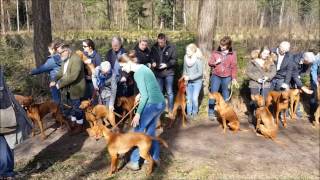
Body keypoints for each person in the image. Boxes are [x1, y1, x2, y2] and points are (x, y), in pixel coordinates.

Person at [118, 54, 165, 171]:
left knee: (137, 132)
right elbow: (150, 86)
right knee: (150, 133)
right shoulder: (144, 68)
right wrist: (139, 94)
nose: (122, 69)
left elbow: (145, 96)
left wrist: (137, 114)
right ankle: (155, 158)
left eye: (122, 66)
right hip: (160, 102)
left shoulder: (138, 74)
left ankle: (134, 162)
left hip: (152, 104)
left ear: (128, 63)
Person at [1, 66, 33, 179]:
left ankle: (6, 172)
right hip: (3, 114)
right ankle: (6, 173)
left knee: (5, 143)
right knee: (5, 143)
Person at [52, 45, 86, 134]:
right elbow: (61, 72)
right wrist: (54, 79)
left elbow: (73, 77)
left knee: (77, 107)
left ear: (67, 51)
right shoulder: (65, 59)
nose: (59, 55)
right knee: (72, 107)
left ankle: (80, 126)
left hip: (76, 88)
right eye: (58, 53)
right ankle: (74, 122)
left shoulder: (76, 59)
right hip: (68, 89)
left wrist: (59, 84)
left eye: (60, 53)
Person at [208, 36, 238, 120]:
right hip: (216, 76)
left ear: (228, 45)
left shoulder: (232, 54)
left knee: (226, 94)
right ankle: (211, 112)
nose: (221, 47)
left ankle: (224, 112)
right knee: (213, 93)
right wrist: (215, 63)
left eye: (223, 46)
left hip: (227, 77)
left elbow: (234, 67)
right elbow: (209, 63)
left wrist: (234, 78)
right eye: (221, 45)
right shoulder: (215, 52)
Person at [246, 47, 276, 123]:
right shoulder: (253, 61)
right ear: (260, 52)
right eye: (264, 53)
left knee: (264, 101)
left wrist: (267, 77)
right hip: (254, 84)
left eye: (267, 54)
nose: (265, 55)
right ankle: (252, 114)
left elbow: (273, 72)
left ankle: (262, 117)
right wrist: (257, 79)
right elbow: (248, 72)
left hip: (266, 84)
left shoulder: (271, 62)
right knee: (254, 101)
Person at [151, 33, 177, 115]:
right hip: (158, 73)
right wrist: (153, 62)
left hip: (169, 73)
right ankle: (160, 110)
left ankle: (170, 109)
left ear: (165, 40)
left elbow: (174, 60)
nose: (160, 44)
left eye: (161, 42)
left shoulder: (172, 47)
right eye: (159, 42)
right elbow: (151, 57)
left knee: (169, 92)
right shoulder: (154, 47)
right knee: (159, 92)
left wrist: (167, 65)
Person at [182, 43, 203, 119]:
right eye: (186, 51)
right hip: (188, 82)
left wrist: (189, 77)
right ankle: (189, 113)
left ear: (193, 51)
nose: (187, 52)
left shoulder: (198, 59)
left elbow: (200, 73)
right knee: (188, 98)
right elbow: (184, 69)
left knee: (194, 98)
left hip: (197, 82)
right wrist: (184, 77)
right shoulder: (185, 57)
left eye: (188, 51)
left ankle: (195, 113)